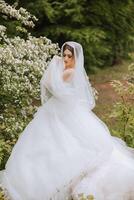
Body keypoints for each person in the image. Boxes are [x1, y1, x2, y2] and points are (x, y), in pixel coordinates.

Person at [0, 41, 134, 200]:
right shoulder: (66, 70)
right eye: (64, 55)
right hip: (59, 109)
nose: (65, 59)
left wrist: (53, 64)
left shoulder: (70, 71)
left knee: (69, 142)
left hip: (63, 110)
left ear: (75, 58)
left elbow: (50, 84)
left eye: (69, 56)